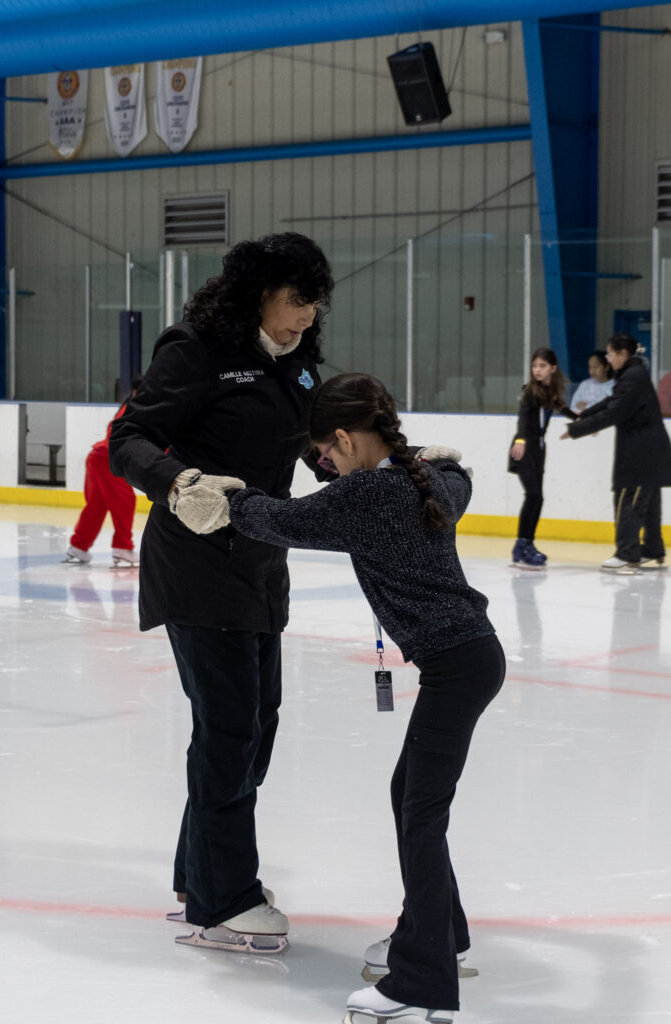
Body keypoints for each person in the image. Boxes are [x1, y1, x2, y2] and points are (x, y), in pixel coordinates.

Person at [172, 372, 505, 1024]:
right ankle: (442, 933)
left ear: (348, 439)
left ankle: (420, 982)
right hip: (468, 659)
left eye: (326, 452)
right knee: (410, 799)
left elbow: (286, 519)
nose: (323, 465)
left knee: (420, 816)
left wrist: (226, 499)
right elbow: (458, 482)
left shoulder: (371, 495)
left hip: (455, 666)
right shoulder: (425, 481)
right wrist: (449, 464)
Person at [108, 233, 334, 954]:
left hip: (261, 566)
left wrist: (396, 464)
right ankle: (221, 897)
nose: (307, 315)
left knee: (253, 728)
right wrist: (178, 483)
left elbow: (315, 442)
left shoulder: (294, 364)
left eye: (314, 302)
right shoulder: (198, 347)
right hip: (198, 563)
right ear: (258, 293)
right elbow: (130, 438)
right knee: (232, 728)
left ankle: (198, 872)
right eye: (297, 300)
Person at [561, 333, 671, 573]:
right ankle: (652, 550)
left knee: (629, 501)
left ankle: (627, 555)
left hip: (640, 453)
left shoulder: (632, 377)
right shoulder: (631, 374)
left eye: (610, 354)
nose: (608, 359)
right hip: (648, 450)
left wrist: (576, 429)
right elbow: (611, 402)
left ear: (622, 354)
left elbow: (614, 412)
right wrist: (582, 415)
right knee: (647, 503)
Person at [508, 347, 576, 569]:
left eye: (542, 366)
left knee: (538, 497)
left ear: (553, 368)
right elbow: (523, 417)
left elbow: (562, 408)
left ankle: (527, 544)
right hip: (524, 446)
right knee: (533, 495)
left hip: (538, 449)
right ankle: (522, 545)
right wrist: (519, 439)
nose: (537, 370)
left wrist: (581, 420)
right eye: (535, 366)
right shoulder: (530, 391)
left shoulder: (550, 391)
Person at [64, 374, 143, 567]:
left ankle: (79, 546)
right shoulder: (135, 409)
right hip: (107, 458)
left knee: (97, 505)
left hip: (98, 457)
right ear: (135, 392)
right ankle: (122, 548)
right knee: (125, 501)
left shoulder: (129, 407)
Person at [570, 349, 615, 413]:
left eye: (596, 367)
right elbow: (574, 406)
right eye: (590, 367)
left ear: (607, 367)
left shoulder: (614, 386)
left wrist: (587, 406)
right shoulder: (585, 384)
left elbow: (610, 409)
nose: (592, 371)